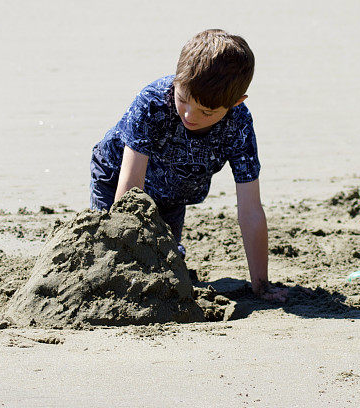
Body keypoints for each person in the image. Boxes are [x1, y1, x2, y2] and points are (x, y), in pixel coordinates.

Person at [90, 29, 287, 302]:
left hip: (173, 193)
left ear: (235, 103)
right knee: (112, 255)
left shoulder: (238, 124)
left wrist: (262, 285)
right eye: (183, 99)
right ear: (177, 79)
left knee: (165, 265)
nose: (188, 115)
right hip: (117, 177)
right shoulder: (153, 103)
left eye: (206, 112)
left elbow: (250, 209)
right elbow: (129, 194)